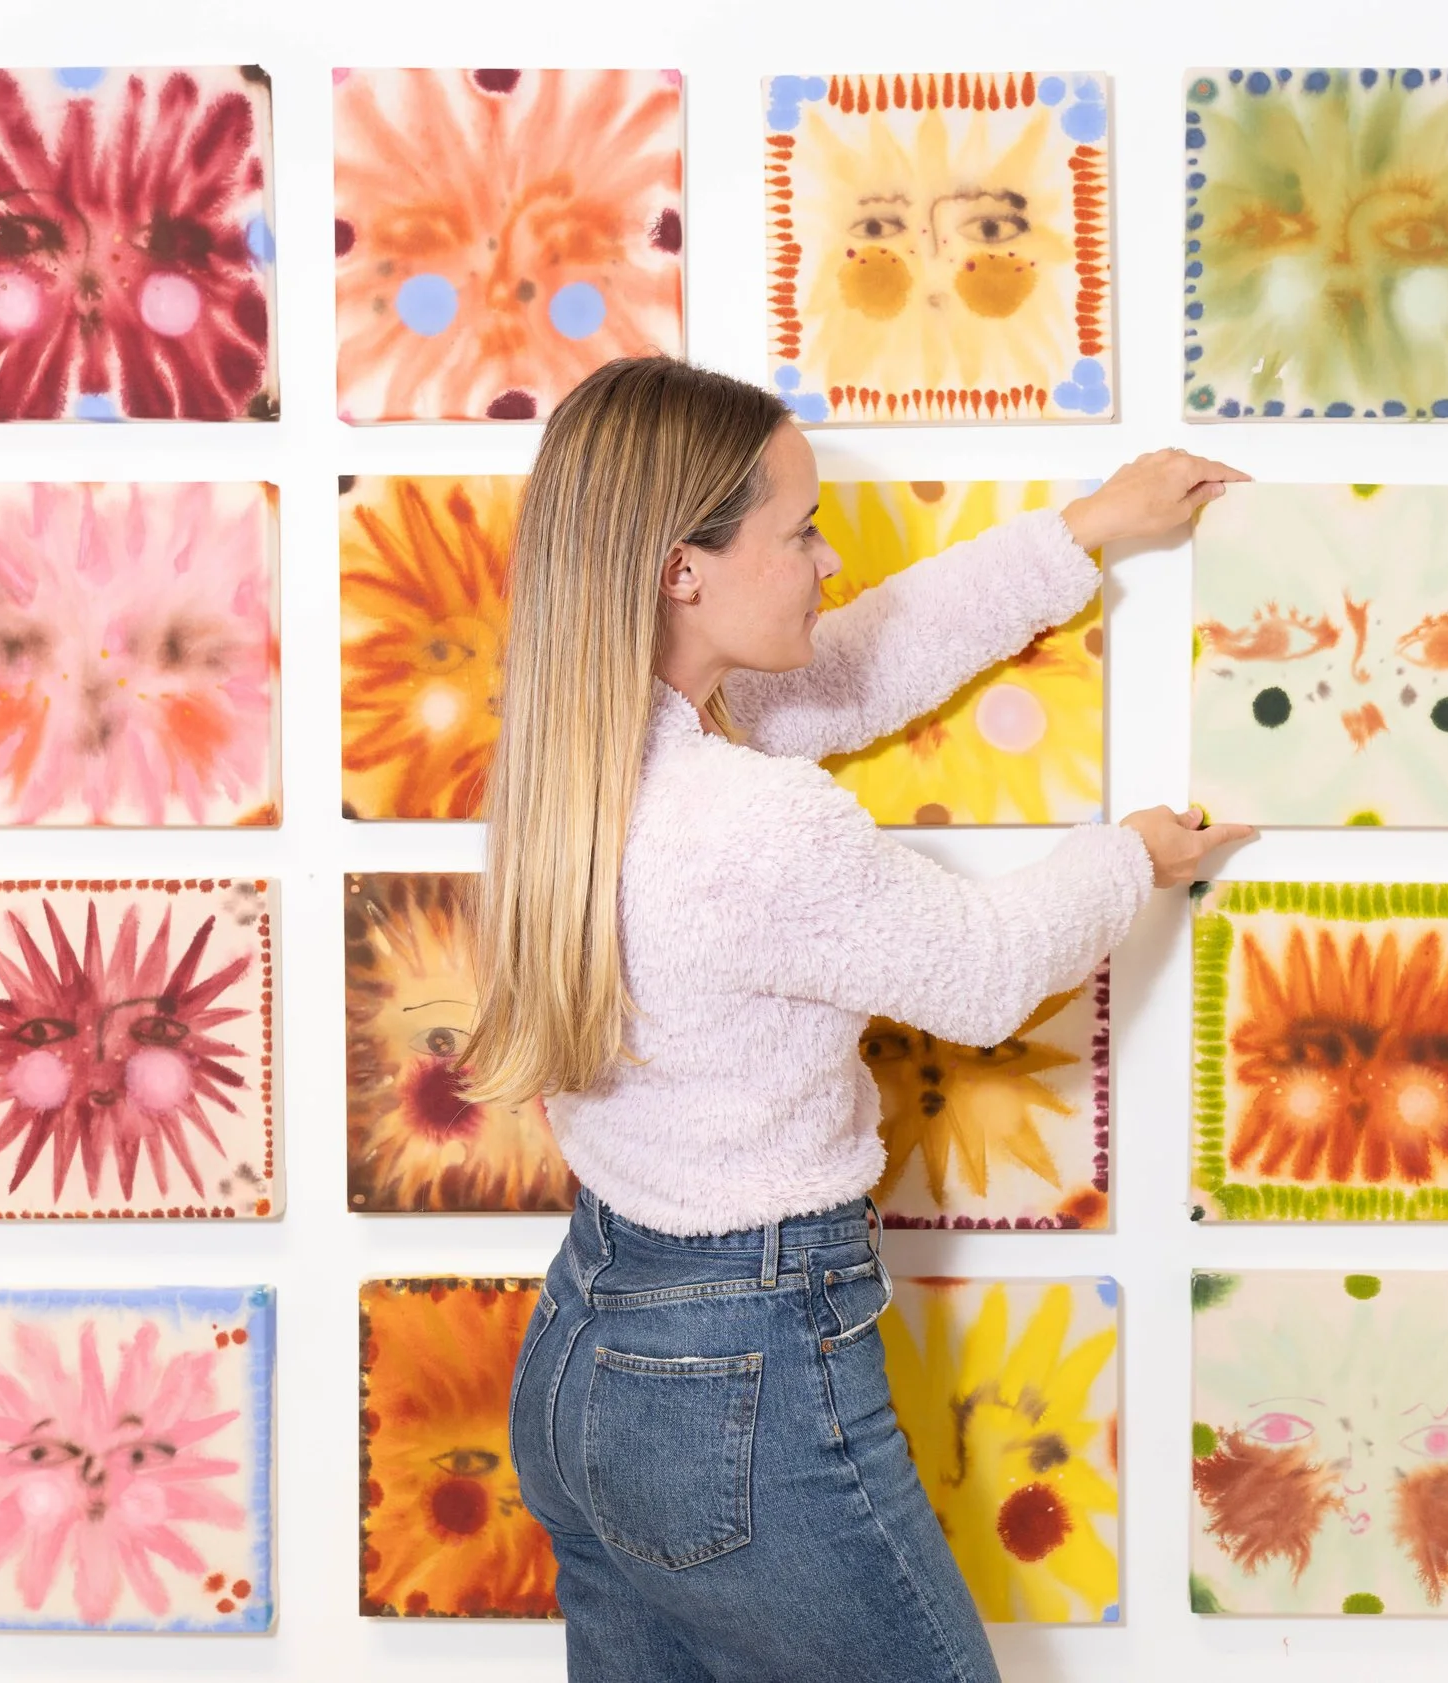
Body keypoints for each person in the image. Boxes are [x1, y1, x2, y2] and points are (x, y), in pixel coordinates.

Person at [466, 355, 1252, 1681]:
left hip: (590, 1352)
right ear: (684, 569)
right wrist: (1133, 854)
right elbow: (990, 967)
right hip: (740, 1375)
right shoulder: (747, 821)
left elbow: (855, 665)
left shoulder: (582, 749)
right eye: (801, 530)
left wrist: (1088, 532)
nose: (828, 560)